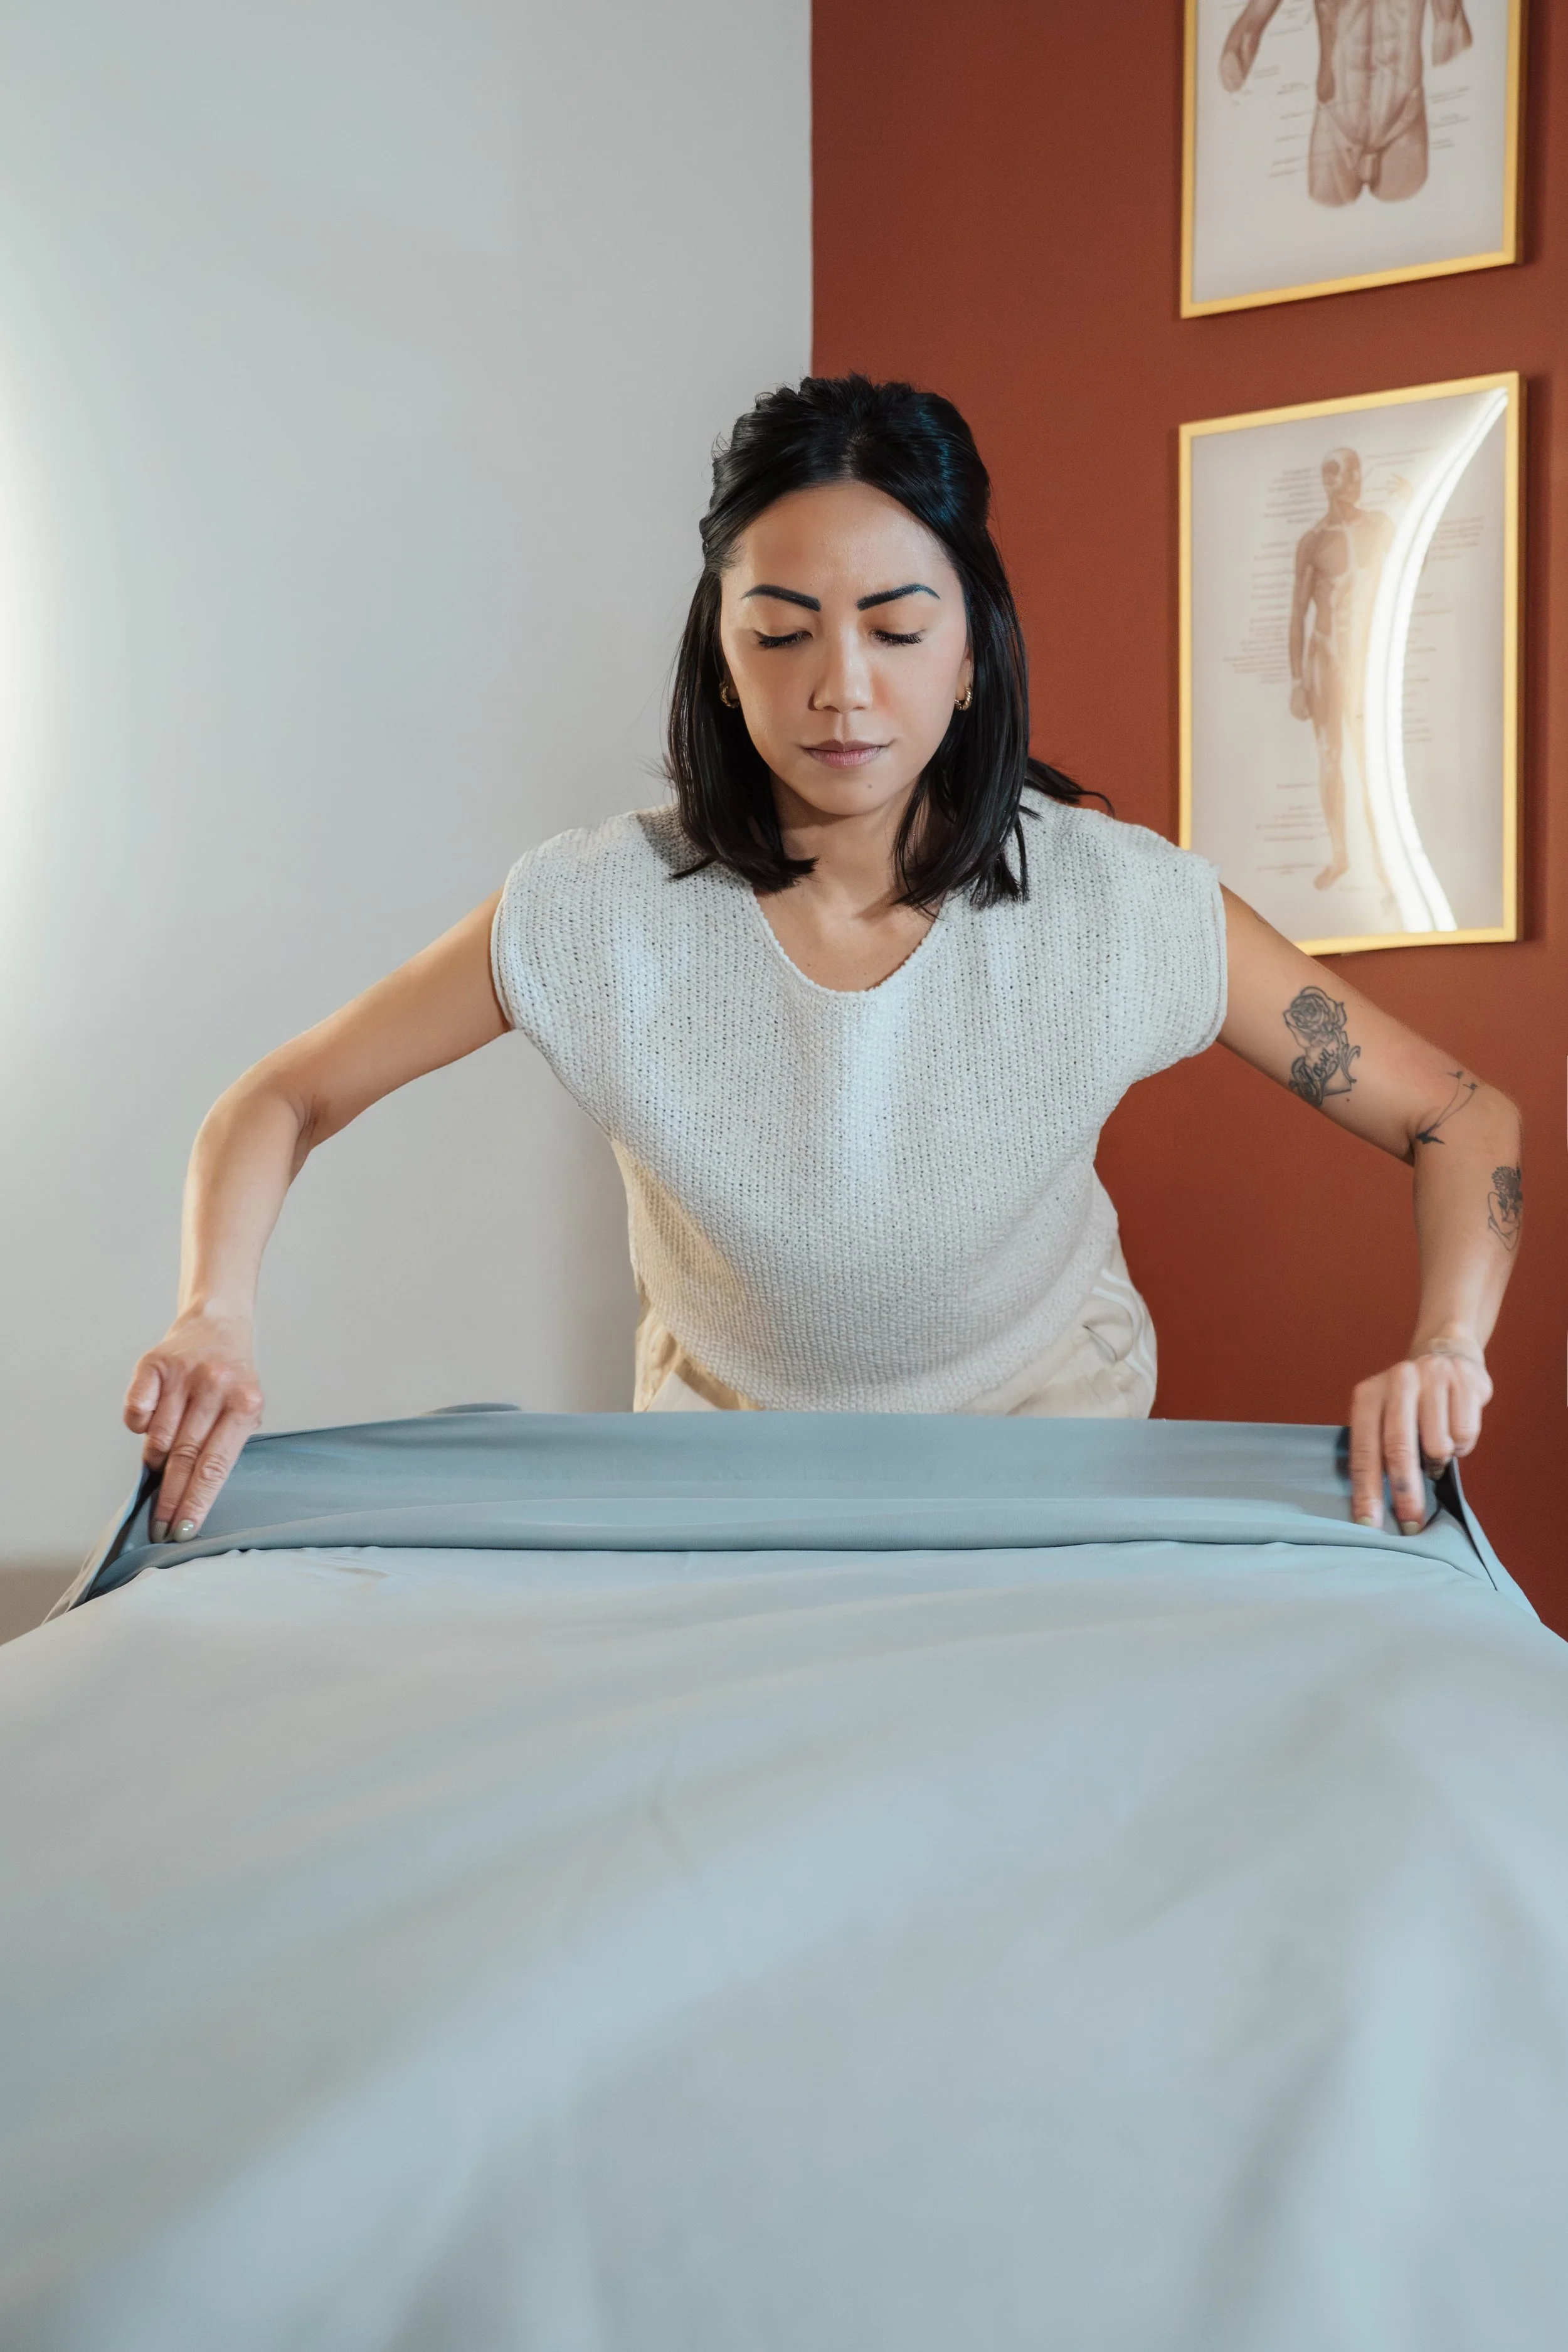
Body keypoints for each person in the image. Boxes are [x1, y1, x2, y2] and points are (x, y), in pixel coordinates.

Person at [124, 376, 1521, 1550]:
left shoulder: (1123, 911)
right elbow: (284, 1097)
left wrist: (1446, 1349)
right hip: (721, 1506)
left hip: (1051, 1499)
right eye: (779, 634)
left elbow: (1462, 1116)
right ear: (721, 660)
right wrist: (214, 1316)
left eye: (896, 631)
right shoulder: (597, 910)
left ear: (972, 653)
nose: (838, 686)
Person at [1220, 0, 1475, 208]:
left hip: (1403, 122)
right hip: (1336, 128)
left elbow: (1452, 34)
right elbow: (1248, 29)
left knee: (1403, 232)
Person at [1288, 445, 1396, 894]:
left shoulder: (1379, 527)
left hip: (1367, 662)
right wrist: (1297, 680)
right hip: (1326, 659)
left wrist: (1408, 506)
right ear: (1326, 481)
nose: (1352, 480)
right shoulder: (1313, 542)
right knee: (1331, 761)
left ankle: (1387, 863)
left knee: (1373, 763)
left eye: (1355, 471)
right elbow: (1297, 614)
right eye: (1340, 473)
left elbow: (1413, 567)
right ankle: (1340, 856)